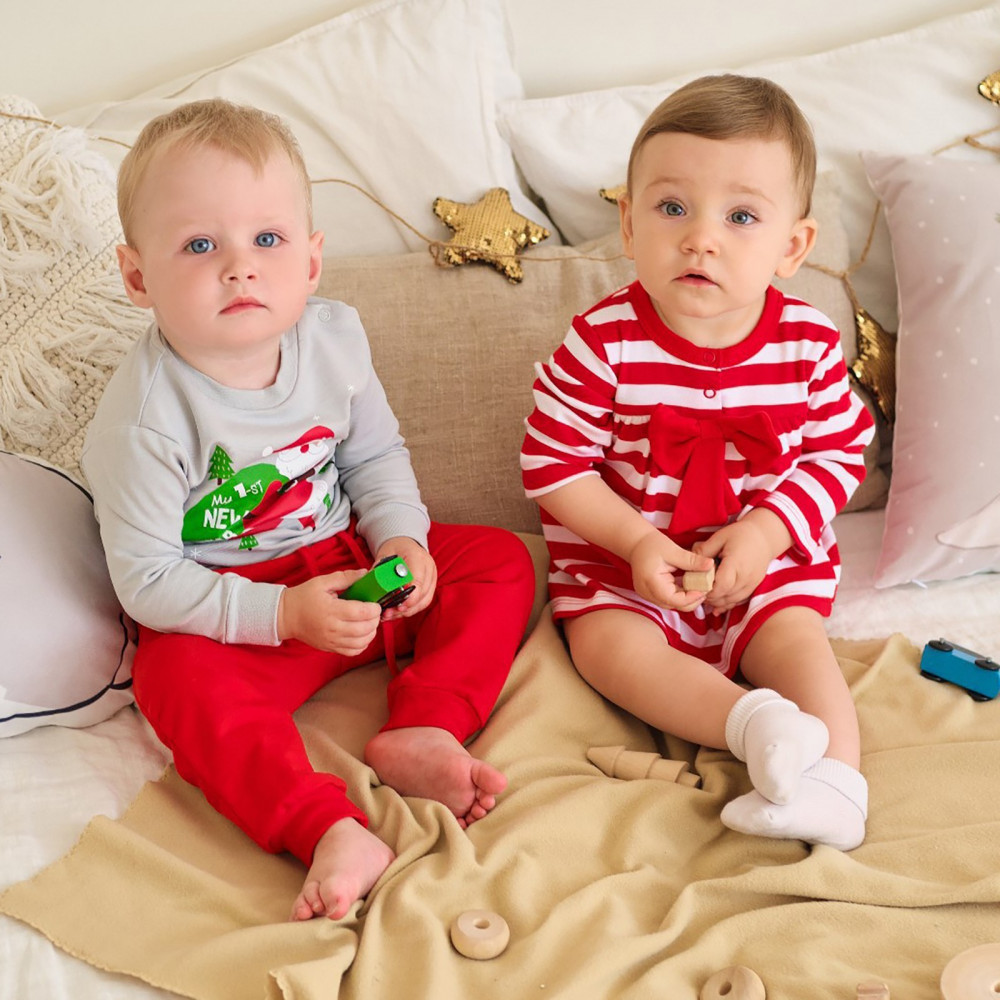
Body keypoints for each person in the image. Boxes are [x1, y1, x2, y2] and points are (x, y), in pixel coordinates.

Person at [83, 98, 535, 922]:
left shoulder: (335, 339)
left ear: (313, 259)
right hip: (237, 608)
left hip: (352, 568)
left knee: (499, 559)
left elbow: (374, 457)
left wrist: (403, 543)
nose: (240, 267)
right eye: (199, 245)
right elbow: (148, 581)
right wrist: (283, 615)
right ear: (137, 277)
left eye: (267, 239)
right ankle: (326, 826)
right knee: (171, 679)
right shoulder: (143, 420)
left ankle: (424, 726)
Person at [521, 74, 874, 852]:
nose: (700, 238)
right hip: (627, 567)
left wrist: (766, 533)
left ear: (792, 247)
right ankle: (754, 724)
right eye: (673, 208)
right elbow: (554, 465)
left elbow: (838, 449)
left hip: (763, 564)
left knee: (796, 641)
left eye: (740, 216)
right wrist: (637, 543)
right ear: (628, 223)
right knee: (606, 648)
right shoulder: (603, 342)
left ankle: (838, 786)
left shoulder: (808, 344)